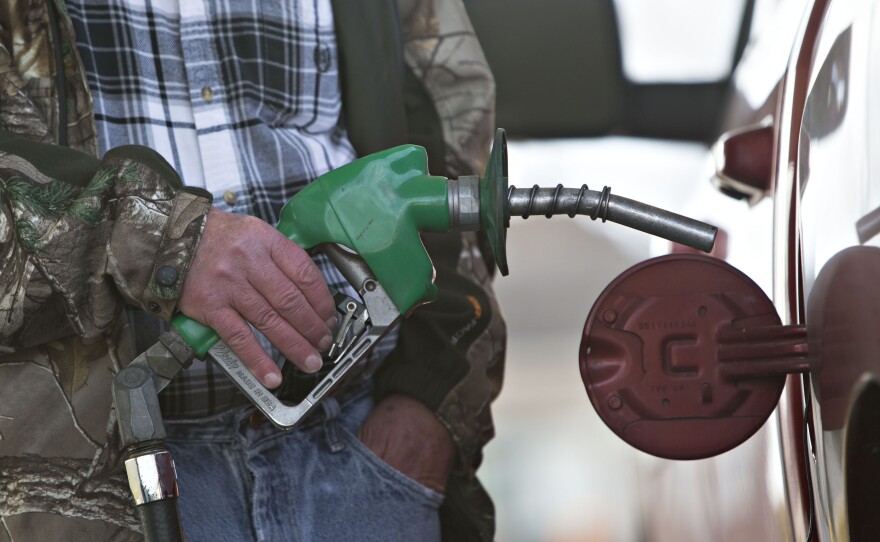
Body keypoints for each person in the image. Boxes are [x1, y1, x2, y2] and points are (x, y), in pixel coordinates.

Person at [0, 0, 506, 540]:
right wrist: (160, 240)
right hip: (101, 488)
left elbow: (452, 123)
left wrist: (430, 399)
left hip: (368, 459)